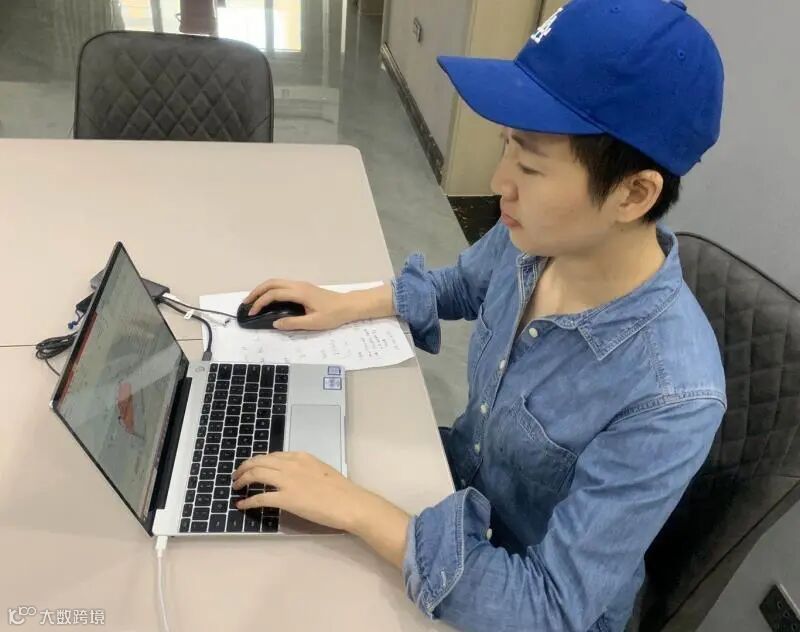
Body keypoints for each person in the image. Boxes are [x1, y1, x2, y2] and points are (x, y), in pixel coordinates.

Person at [231, 0, 726, 629]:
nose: (499, 182)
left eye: (530, 165)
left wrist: (355, 508)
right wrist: (349, 303)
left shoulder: (671, 395)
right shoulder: (540, 239)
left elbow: (547, 608)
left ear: (633, 193)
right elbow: (464, 284)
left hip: (509, 592)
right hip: (453, 495)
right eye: (505, 148)